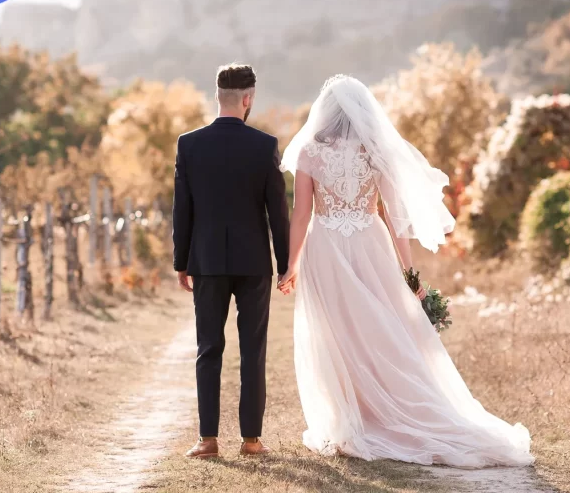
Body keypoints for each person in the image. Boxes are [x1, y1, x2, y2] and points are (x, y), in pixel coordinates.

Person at [276, 75, 534, 468]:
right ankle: (376, 414)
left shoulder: (310, 152)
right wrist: (409, 272)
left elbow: (301, 215)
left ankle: (353, 420)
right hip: (369, 242)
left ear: (324, 112)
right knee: (382, 328)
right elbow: (395, 218)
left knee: (337, 332)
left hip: (325, 245)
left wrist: (290, 265)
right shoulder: (376, 151)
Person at [172, 64, 290, 459]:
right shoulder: (264, 145)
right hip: (254, 261)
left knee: (208, 348)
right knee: (252, 350)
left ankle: (207, 440)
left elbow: (182, 210)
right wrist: (286, 262)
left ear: (217, 96)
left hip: (205, 260)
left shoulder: (188, 144)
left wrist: (180, 261)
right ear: (248, 99)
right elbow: (278, 212)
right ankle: (252, 441)